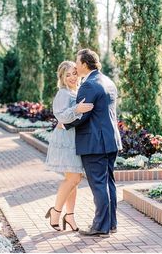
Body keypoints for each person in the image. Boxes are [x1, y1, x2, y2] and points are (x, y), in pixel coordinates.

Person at [62, 49, 122, 237]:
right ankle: (111, 224)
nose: (76, 65)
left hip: (95, 144)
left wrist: (65, 122)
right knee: (108, 183)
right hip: (111, 141)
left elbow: (81, 115)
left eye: (77, 62)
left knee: (98, 185)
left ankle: (100, 227)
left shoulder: (88, 85)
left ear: (85, 64)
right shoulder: (108, 81)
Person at [45, 61, 94, 231]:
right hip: (65, 141)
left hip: (75, 139)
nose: (72, 77)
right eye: (68, 75)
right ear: (62, 78)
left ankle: (70, 216)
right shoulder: (63, 94)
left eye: (74, 73)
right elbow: (62, 117)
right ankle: (56, 212)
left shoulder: (77, 91)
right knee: (73, 178)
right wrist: (78, 109)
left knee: (75, 179)